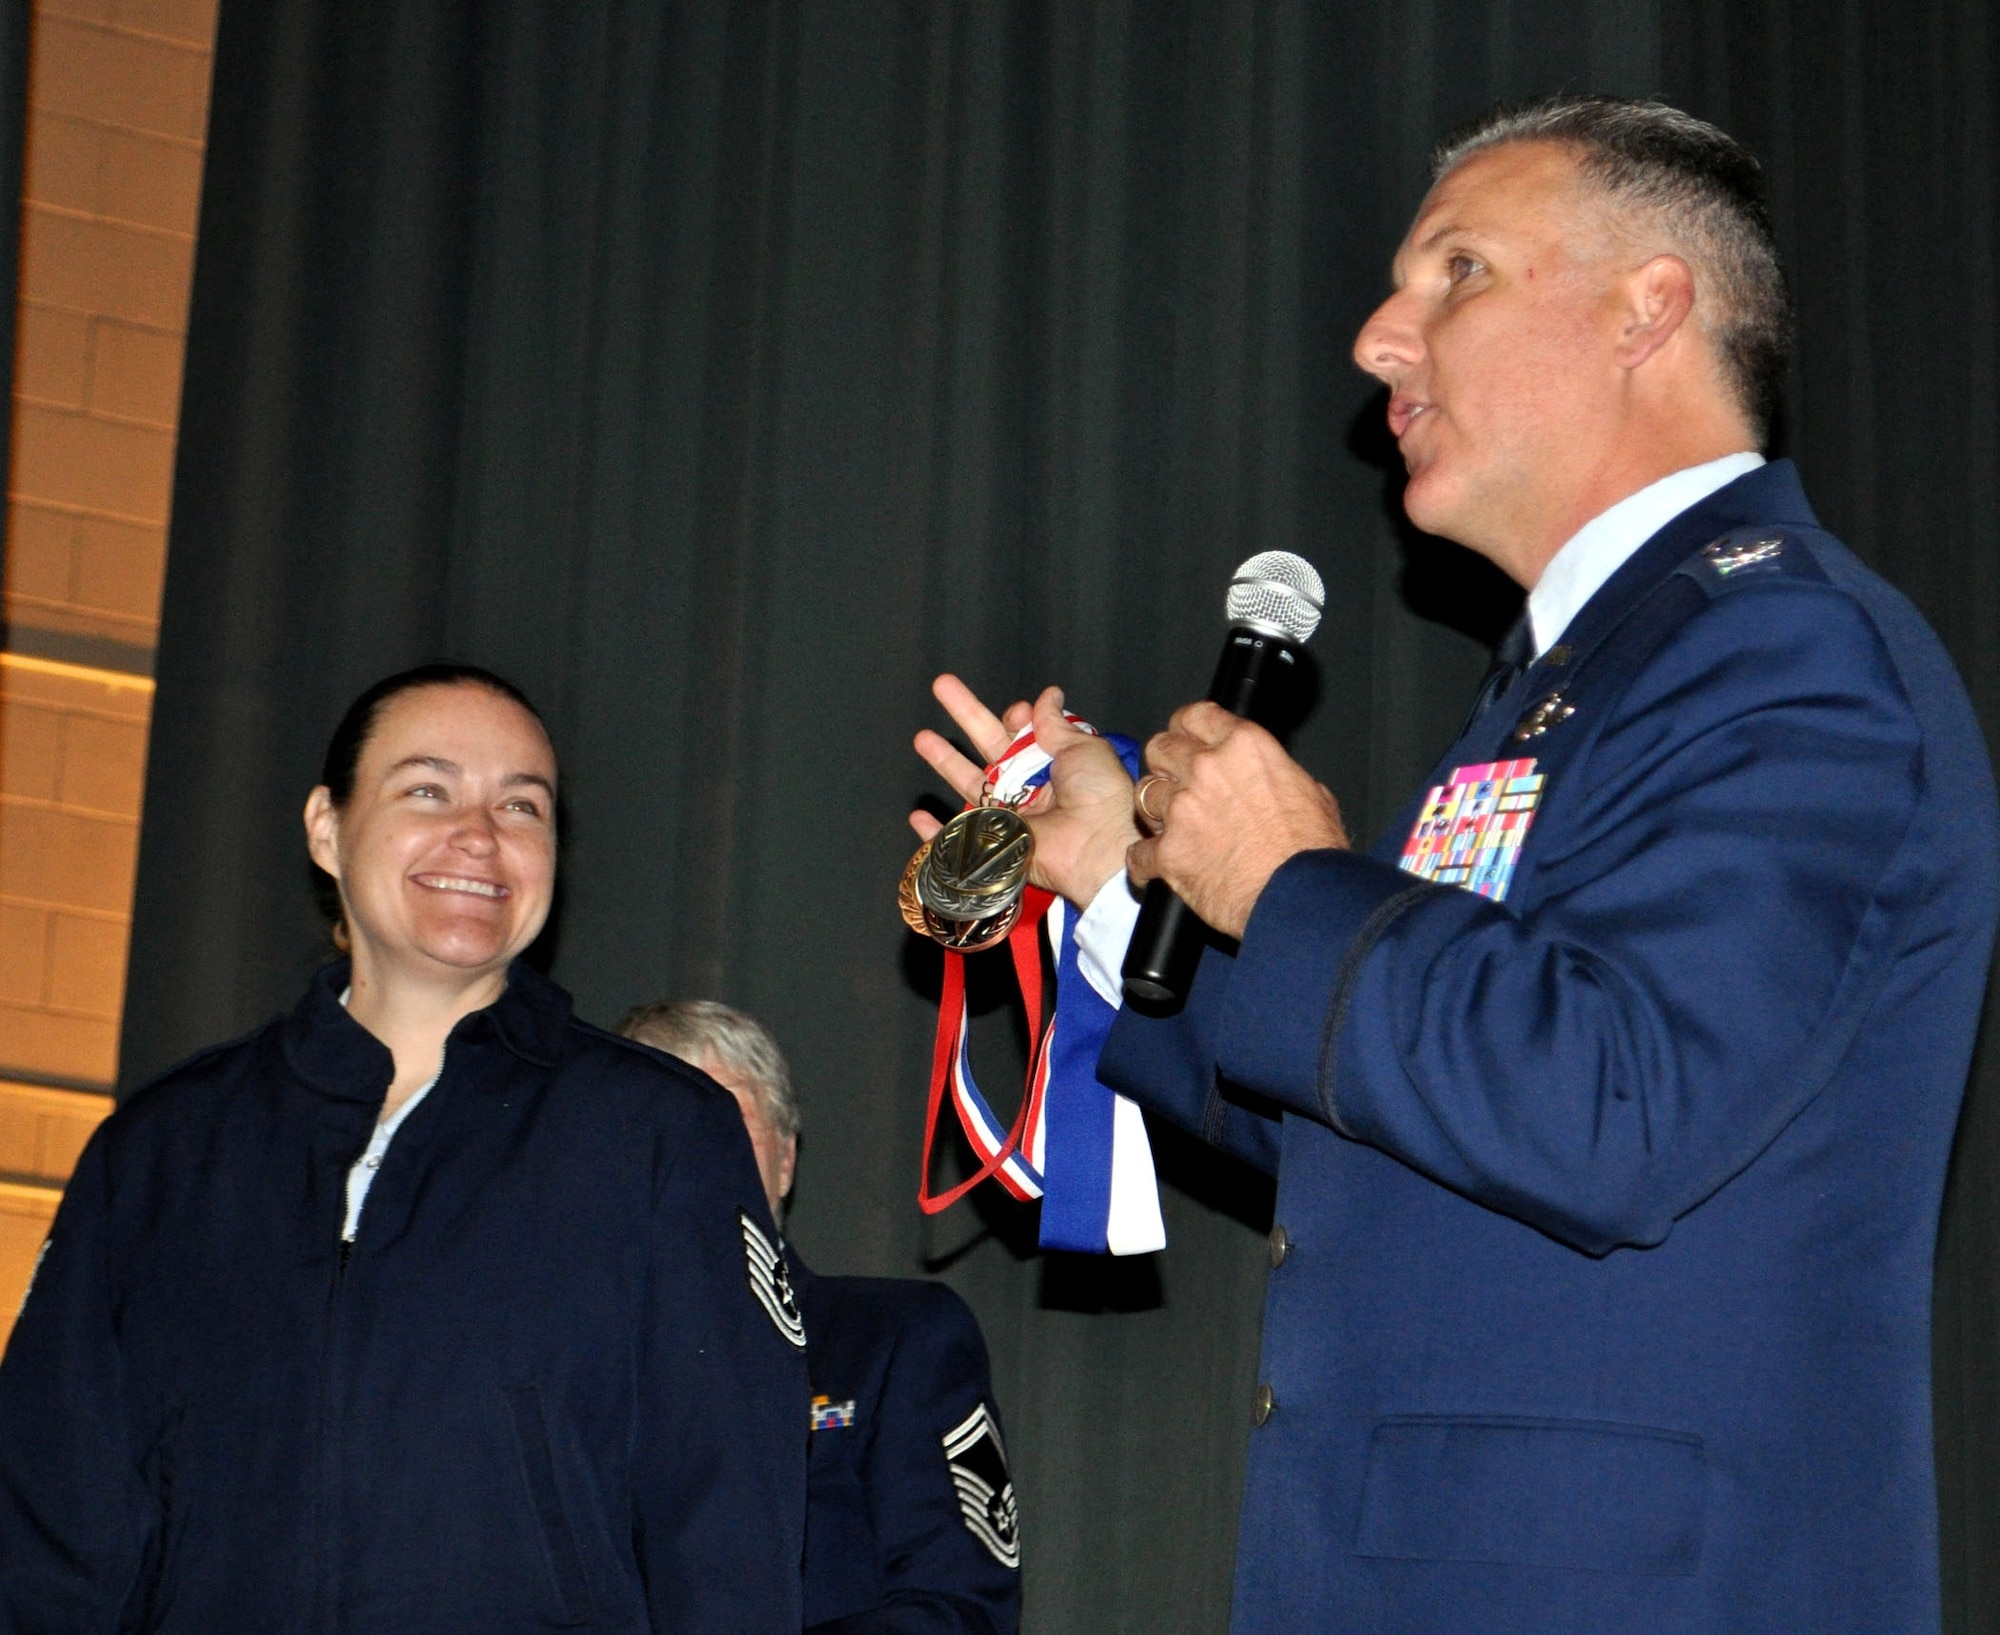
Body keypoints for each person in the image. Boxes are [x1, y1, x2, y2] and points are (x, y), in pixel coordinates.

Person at [912, 98, 1999, 1632]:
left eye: (1458, 271)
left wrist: (1286, 878)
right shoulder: (1570, 682)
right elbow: (1396, 1119)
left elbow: (1612, 1103)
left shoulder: (1790, 647)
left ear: (1649, 309)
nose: (1376, 337)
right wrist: (1114, 882)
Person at [0, 663, 809, 1632]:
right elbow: (46, 1535)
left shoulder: (656, 1134)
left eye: (523, 805)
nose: (480, 834)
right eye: (428, 789)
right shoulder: (164, 1150)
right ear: (326, 827)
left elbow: (728, 1536)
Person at [619, 999, 1022, 1635]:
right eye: (653, 1131)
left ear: (785, 1162)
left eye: (723, 1125)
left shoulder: (892, 1341)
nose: (689, 1157)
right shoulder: (565, 1369)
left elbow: (958, 1609)